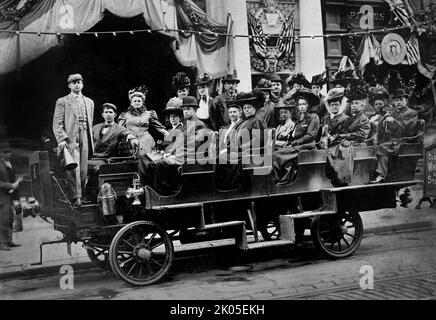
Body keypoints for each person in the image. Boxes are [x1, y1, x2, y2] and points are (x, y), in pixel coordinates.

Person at [138, 96, 206, 195]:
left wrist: (172, 154)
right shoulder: (184, 125)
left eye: (189, 109)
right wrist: (168, 152)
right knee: (145, 159)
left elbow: (193, 145)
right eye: (184, 109)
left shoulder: (198, 124)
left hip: (186, 157)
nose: (186, 111)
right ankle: (146, 189)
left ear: (195, 110)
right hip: (175, 154)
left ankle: (161, 193)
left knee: (158, 164)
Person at [52, 73, 94, 207]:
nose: (77, 84)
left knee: (83, 169)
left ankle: (82, 194)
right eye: (74, 82)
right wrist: (62, 138)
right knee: (73, 167)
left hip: (85, 136)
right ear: (69, 85)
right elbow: (57, 123)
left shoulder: (89, 102)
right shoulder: (63, 101)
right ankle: (76, 197)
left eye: (79, 82)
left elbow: (90, 121)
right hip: (71, 138)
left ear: (82, 84)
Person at [272, 88, 320, 185]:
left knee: (277, 155)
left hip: (307, 146)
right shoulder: (299, 119)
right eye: (299, 104)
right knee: (276, 151)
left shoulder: (313, 117)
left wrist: (294, 143)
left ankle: (280, 181)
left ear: (309, 105)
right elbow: (294, 134)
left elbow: (310, 136)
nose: (301, 107)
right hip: (297, 146)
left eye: (304, 104)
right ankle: (281, 179)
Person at [371, 88, 419, 184]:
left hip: (405, 140)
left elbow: (407, 128)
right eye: (396, 100)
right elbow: (387, 130)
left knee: (381, 147)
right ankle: (381, 175)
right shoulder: (393, 113)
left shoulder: (412, 113)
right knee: (376, 147)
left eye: (401, 100)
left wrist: (393, 121)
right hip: (393, 140)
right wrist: (384, 121)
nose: (398, 102)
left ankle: (381, 175)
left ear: (406, 101)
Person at [118, 90, 168, 159]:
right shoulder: (125, 115)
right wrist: (127, 134)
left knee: (146, 152)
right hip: (131, 139)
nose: (137, 103)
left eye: (139, 101)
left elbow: (158, 127)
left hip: (146, 139)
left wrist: (167, 134)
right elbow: (119, 129)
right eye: (135, 101)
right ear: (131, 103)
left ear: (142, 103)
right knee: (135, 144)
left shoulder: (148, 114)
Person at [0, 141, 23, 250]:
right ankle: (2, 243)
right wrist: (11, 185)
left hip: (9, 197)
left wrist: (17, 184)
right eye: (6, 152)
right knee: (3, 220)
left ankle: (8, 241)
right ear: (1, 153)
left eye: (9, 152)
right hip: (2, 197)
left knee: (9, 219)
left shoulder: (8, 164)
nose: (9, 154)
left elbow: (12, 179)